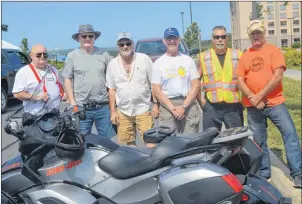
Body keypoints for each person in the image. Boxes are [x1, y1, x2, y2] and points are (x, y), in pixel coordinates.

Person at [236, 19, 302, 188]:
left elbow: (277, 76)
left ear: (264, 33)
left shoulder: (274, 51)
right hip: (253, 107)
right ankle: (264, 173)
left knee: (290, 135)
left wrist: (259, 96)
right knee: (259, 141)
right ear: (249, 36)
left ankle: (297, 173)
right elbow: (240, 80)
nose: (256, 35)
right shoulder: (245, 56)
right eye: (253, 33)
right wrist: (252, 97)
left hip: (275, 103)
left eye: (259, 32)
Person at [62, 24, 116, 137]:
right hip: (82, 107)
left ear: (94, 38)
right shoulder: (72, 56)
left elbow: (113, 74)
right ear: (78, 39)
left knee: (108, 141)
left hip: (103, 106)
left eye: (90, 36)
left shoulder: (104, 54)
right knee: (82, 140)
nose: (87, 38)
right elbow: (67, 79)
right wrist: (72, 102)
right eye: (84, 36)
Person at [106, 32, 159, 146]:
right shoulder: (112, 65)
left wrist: (155, 104)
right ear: (118, 46)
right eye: (121, 44)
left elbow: (153, 83)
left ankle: (150, 164)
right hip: (123, 111)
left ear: (132, 44)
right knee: (129, 146)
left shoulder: (144, 59)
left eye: (128, 43)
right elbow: (112, 89)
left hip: (143, 108)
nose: (125, 46)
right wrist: (113, 111)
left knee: (151, 143)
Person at [152, 27, 200, 134]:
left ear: (179, 40)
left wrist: (184, 106)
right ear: (164, 41)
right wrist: (173, 109)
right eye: (169, 39)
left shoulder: (188, 60)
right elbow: (157, 90)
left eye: (174, 38)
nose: (172, 41)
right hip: (167, 105)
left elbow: (195, 85)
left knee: (190, 141)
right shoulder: (158, 63)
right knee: (170, 142)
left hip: (187, 102)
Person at [197, 25, 244, 131]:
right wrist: (201, 101)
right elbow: (195, 81)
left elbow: (246, 79)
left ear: (227, 38)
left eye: (223, 37)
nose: (220, 40)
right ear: (212, 39)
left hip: (233, 107)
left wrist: (244, 100)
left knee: (236, 141)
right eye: (216, 37)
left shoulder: (238, 54)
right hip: (212, 107)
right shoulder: (204, 56)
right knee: (211, 140)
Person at [13, 44, 65, 115]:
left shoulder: (53, 69)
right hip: (36, 117)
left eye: (45, 54)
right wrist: (37, 97)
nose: (42, 57)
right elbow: (17, 94)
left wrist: (63, 94)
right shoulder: (24, 72)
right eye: (39, 55)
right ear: (31, 55)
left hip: (55, 114)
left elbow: (58, 85)